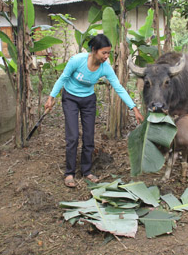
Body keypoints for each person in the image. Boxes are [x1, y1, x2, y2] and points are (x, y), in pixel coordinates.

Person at [44, 34, 144, 188]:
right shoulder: (77, 60)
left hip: (88, 101)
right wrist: (51, 97)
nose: (106, 56)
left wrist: (134, 108)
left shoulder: (105, 68)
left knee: (89, 138)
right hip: (70, 98)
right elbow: (63, 78)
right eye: (103, 53)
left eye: (108, 53)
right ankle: (69, 173)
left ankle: (86, 171)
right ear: (94, 50)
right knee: (73, 137)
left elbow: (118, 87)